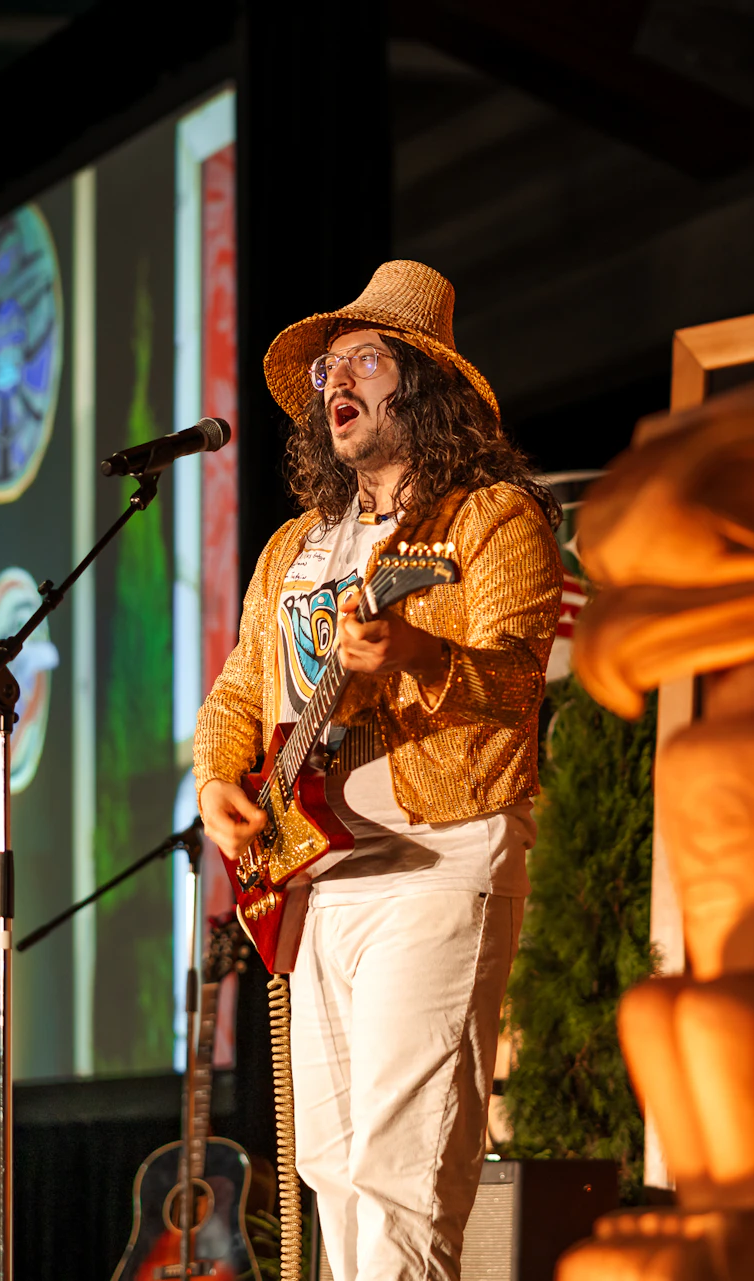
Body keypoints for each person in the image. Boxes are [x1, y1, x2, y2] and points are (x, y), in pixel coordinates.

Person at [193, 261, 562, 1281]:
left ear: (422, 382)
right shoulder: (295, 549)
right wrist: (217, 780)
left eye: (362, 358)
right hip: (319, 875)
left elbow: (516, 681)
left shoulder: (493, 521)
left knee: (402, 1177)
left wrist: (417, 653)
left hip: (439, 862)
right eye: (326, 369)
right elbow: (240, 688)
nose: (335, 380)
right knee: (334, 1173)